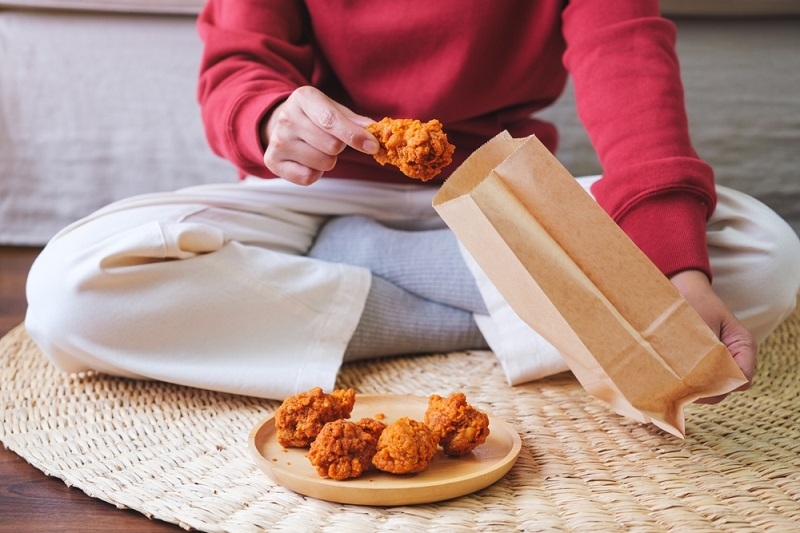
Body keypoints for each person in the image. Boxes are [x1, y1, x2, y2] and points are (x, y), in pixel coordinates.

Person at [25, 1, 800, 404]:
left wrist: (679, 271)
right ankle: (507, 309)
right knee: (69, 292)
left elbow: (624, 53)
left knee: (761, 258)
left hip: (500, 187)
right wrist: (270, 117)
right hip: (317, 190)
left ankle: (384, 277)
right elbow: (240, 62)